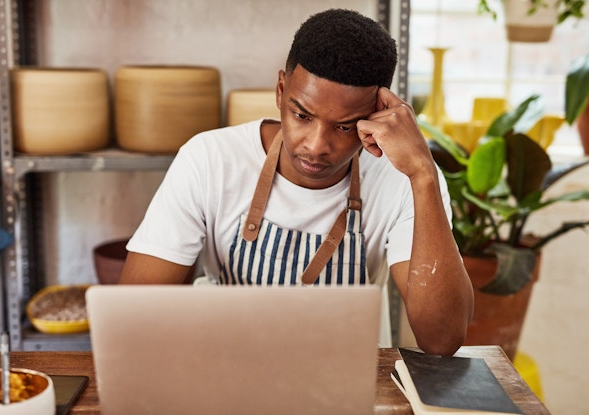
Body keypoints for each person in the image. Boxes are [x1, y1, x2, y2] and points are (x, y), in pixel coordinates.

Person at [119, 8, 473, 356]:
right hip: (221, 365)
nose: (316, 146)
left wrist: (423, 174)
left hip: (344, 376)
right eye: (302, 115)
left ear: (377, 116)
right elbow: (135, 319)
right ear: (280, 90)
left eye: (345, 126)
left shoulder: (403, 180)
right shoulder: (209, 159)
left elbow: (441, 339)